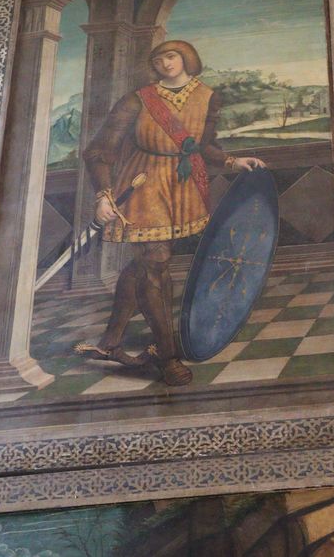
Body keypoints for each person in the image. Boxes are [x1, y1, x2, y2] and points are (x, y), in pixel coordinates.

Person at [82, 40, 264, 385]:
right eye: (158, 59)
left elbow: (200, 146)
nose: (165, 63)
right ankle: (167, 357)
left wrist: (231, 161)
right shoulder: (138, 99)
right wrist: (103, 196)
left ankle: (110, 342)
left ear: (186, 59)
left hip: (184, 186)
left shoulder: (207, 96)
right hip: (144, 185)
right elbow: (99, 150)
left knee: (145, 264)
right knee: (156, 262)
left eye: (171, 56)